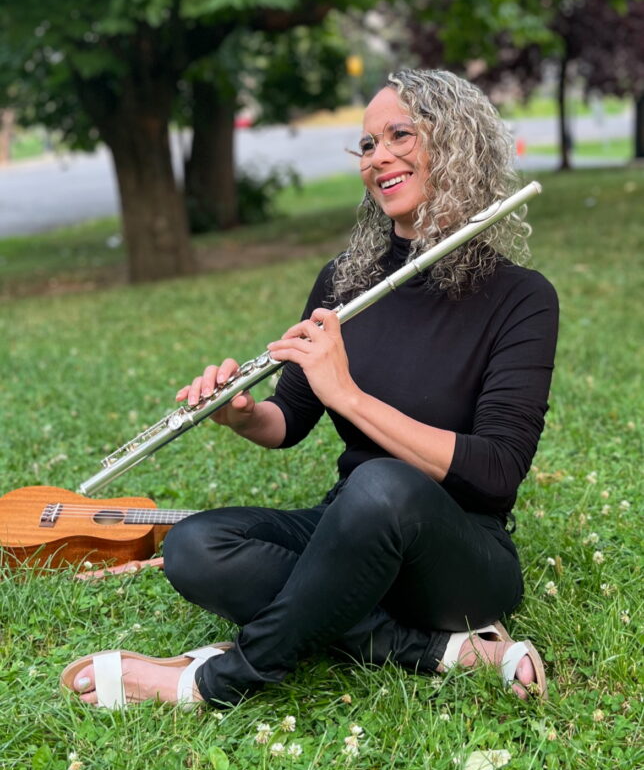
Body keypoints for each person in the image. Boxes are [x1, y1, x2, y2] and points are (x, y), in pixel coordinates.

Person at [62, 69, 558, 709]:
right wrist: (243, 414)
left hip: (456, 558)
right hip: (347, 529)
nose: (377, 158)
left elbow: (496, 471)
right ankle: (435, 650)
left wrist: (348, 395)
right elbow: (290, 417)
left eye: (399, 135)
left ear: (457, 142)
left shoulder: (522, 298)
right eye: (368, 145)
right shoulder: (344, 279)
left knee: (381, 483)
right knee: (195, 545)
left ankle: (216, 680)